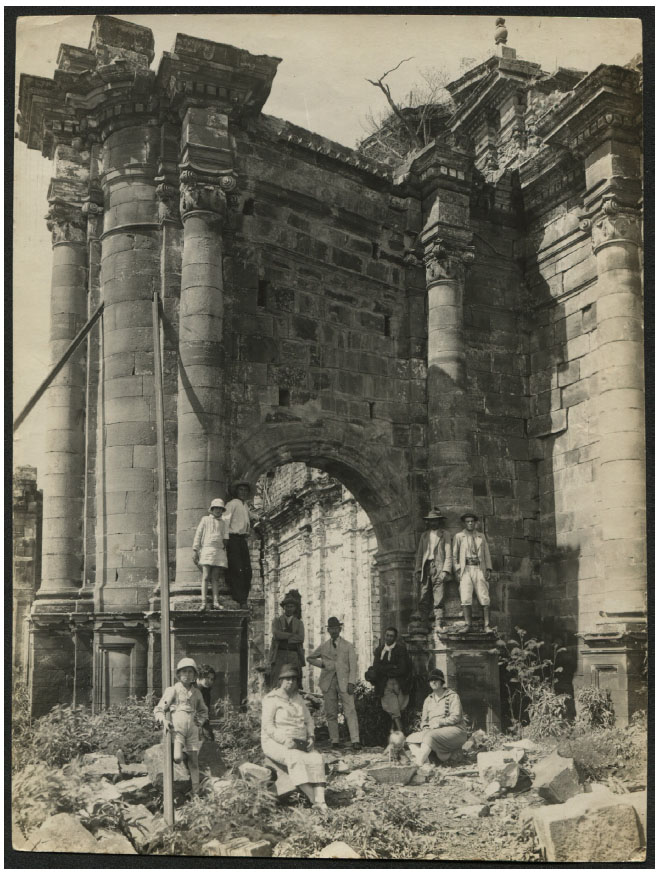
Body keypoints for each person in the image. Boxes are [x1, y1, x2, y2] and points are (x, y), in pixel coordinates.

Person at [261, 663, 327, 810]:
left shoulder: (298, 698)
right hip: (276, 742)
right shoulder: (271, 699)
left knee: (316, 758)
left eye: (293, 679)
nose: (290, 682)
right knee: (295, 758)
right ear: (280, 680)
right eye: (287, 679)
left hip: (300, 742)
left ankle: (322, 801)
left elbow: (309, 720)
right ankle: (314, 800)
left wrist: (311, 736)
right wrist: (284, 740)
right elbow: (268, 726)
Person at [154, 657, 208, 797]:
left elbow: (203, 711)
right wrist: (163, 721)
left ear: (194, 675)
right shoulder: (173, 690)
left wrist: (200, 722)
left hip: (192, 729)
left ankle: (196, 791)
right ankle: (182, 754)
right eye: (184, 672)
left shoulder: (197, 692)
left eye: (190, 672)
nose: (187, 675)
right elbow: (159, 708)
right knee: (177, 758)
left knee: (194, 762)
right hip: (177, 728)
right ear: (178, 674)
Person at [307, 616, 361, 750]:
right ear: (328, 630)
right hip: (328, 682)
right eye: (331, 629)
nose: (333, 631)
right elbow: (310, 658)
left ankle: (355, 740)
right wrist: (324, 664)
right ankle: (334, 740)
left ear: (340, 629)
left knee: (350, 710)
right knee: (331, 712)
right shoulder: (324, 646)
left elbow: (353, 666)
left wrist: (351, 682)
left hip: (344, 682)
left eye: (336, 628)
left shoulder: (348, 646)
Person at [406, 668, 467, 766]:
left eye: (436, 680)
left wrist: (439, 723)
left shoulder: (452, 696)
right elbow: (424, 721)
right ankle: (425, 761)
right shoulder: (428, 700)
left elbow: (456, 717)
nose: (433, 682)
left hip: (455, 730)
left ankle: (419, 764)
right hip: (433, 731)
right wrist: (425, 728)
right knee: (410, 738)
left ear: (442, 682)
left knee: (429, 737)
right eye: (431, 680)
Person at [453, 511, 494, 632]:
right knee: (465, 596)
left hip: (478, 568)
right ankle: (467, 625)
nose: (470, 523)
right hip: (465, 569)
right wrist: (457, 569)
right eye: (467, 522)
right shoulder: (459, 536)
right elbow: (454, 555)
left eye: (472, 521)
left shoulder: (481, 536)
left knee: (484, 596)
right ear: (464, 523)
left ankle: (486, 625)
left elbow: (486, 553)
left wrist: (488, 569)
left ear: (475, 523)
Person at [414, 507, 453, 632]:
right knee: (424, 595)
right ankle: (423, 623)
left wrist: (445, 571)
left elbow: (449, 553)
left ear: (439, 521)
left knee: (439, 596)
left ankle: (439, 623)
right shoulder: (424, 535)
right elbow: (420, 554)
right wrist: (418, 569)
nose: (433, 523)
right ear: (428, 522)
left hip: (439, 566)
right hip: (426, 567)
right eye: (431, 520)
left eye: (436, 520)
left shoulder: (445, 535)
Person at [371, 627, 412, 733]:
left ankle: (393, 735)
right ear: (384, 636)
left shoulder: (401, 649)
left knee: (397, 710)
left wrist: (385, 669)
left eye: (391, 636)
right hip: (386, 684)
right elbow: (376, 668)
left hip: (400, 684)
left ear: (395, 637)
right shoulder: (379, 650)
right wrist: (392, 667)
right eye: (387, 635)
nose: (388, 638)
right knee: (394, 709)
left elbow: (402, 669)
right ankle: (401, 733)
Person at [192, 498, 229, 611]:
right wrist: (195, 549)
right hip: (207, 549)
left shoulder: (223, 522)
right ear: (212, 509)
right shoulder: (205, 520)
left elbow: (225, 537)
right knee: (206, 576)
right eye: (216, 508)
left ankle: (216, 602)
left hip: (218, 550)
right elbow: (199, 534)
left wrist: (223, 547)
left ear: (222, 510)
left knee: (215, 578)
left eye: (220, 509)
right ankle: (203, 602)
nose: (218, 510)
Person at [224, 481, 257, 607]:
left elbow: (250, 516)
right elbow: (225, 521)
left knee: (246, 569)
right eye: (241, 490)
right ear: (236, 492)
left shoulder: (245, 506)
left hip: (242, 539)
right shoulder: (232, 504)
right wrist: (225, 539)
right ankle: (238, 597)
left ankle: (243, 597)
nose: (243, 492)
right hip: (233, 538)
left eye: (245, 490)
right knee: (236, 568)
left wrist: (259, 517)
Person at [269, 592, 305, 688]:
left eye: (291, 606)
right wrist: (292, 635)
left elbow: (301, 638)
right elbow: (277, 635)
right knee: (277, 679)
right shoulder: (277, 621)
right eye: (287, 606)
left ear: (295, 608)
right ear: (283, 608)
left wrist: (285, 637)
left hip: (294, 654)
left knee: (294, 679)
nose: (289, 609)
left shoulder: (299, 623)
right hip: (280, 653)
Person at [197, 664, 216, 741]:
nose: (210, 681)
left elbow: (206, 709)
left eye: (212, 679)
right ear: (200, 676)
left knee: (209, 738)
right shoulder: (190, 688)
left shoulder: (206, 691)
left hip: (203, 722)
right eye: (207, 678)